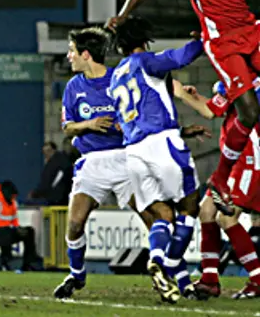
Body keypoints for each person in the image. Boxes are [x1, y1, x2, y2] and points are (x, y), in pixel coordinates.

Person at [107, 0, 260, 216]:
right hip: (223, 43)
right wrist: (123, 15)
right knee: (248, 112)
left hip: (251, 30)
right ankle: (219, 181)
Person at [109, 17, 204, 303]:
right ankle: (167, 264)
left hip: (133, 151)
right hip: (162, 143)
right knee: (190, 207)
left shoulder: (115, 77)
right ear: (144, 41)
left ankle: (158, 258)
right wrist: (204, 37)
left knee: (163, 215)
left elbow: (121, 121)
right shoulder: (146, 61)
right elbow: (183, 56)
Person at [53, 27, 133, 298]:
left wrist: (126, 125)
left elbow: (138, 114)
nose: (68, 56)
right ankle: (76, 276)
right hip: (91, 162)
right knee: (74, 224)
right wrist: (90, 124)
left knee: (152, 217)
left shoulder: (119, 80)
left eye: (72, 51)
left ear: (86, 55)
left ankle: (170, 271)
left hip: (125, 159)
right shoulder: (73, 87)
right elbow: (67, 127)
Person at [173, 79, 260, 299]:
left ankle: (258, 279)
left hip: (247, 158)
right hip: (234, 160)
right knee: (206, 211)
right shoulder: (243, 76)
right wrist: (194, 96)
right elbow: (220, 107)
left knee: (226, 218)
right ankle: (210, 279)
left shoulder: (241, 76)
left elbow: (210, 112)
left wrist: (181, 94)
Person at [0, 180, 40, 271]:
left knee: (29, 231)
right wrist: (12, 228)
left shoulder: (13, 203)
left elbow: (14, 222)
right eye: (12, 196)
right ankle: (5, 264)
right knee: (5, 232)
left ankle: (28, 264)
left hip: (6, 232)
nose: (14, 198)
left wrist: (18, 228)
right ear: (6, 194)